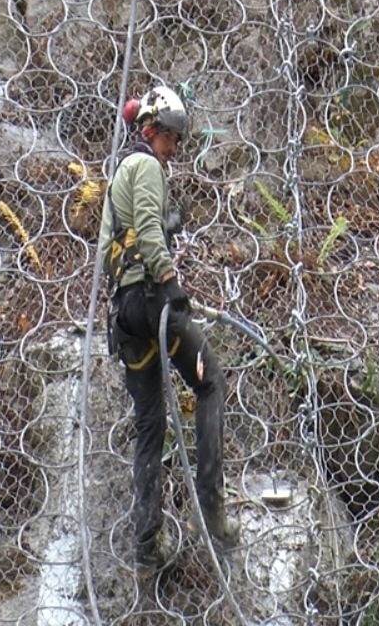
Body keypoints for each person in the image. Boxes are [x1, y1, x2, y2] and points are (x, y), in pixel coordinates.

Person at [98, 85, 239, 569]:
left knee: (150, 427)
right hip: (152, 300)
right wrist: (168, 278)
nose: (175, 150)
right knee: (210, 383)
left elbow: (117, 242)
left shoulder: (120, 173)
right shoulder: (148, 167)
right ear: (153, 130)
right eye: (172, 139)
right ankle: (211, 511)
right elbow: (149, 230)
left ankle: (146, 542)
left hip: (125, 316)